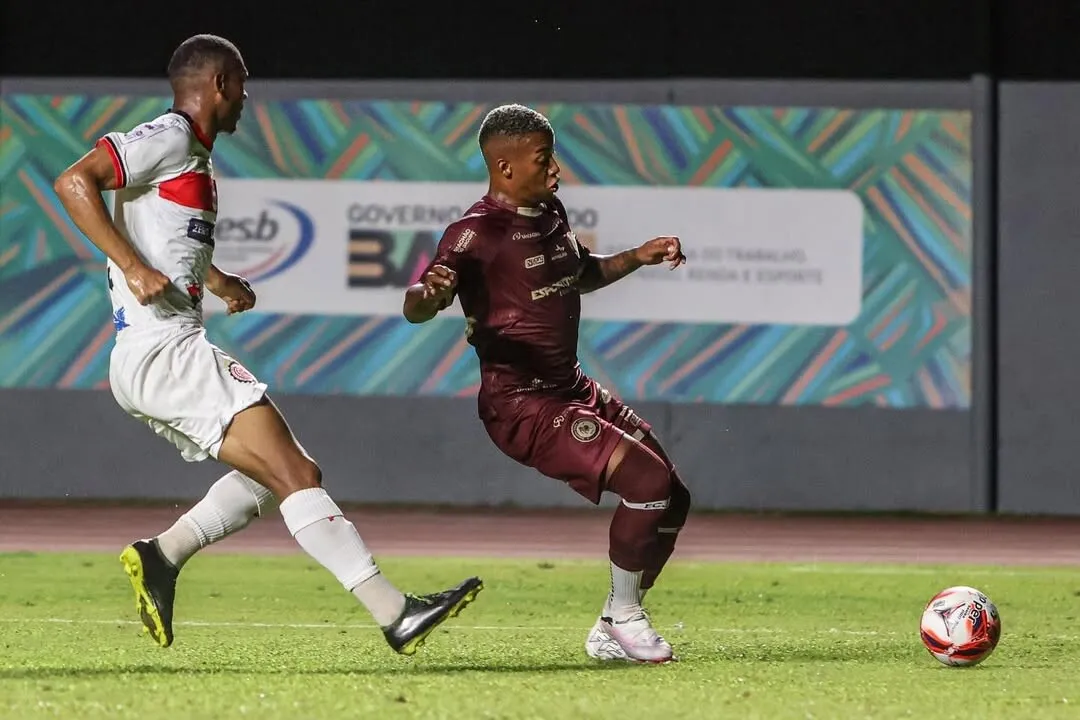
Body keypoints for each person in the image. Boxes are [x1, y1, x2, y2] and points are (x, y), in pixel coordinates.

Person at [53, 34, 482, 655]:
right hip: (164, 351)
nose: (246, 99)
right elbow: (74, 182)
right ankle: (396, 614)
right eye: (243, 85)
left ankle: (161, 556)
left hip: (156, 353)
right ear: (220, 85)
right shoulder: (170, 137)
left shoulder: (191, 158)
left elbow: (163, 235)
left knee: (272, 477)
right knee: (295, 473)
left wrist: (215, 279)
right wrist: (133, 268)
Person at [402, 103, 691, 663]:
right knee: (647, 480)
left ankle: (612, 622)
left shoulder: (550, 211)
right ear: (505, 167)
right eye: (544, 158)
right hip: (521, 404)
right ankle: (625, 617)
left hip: (570, 388)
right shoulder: (473, 233)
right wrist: (427, 296)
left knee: (672, 496)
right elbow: (419, 302)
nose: (556, 168)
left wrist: (638, 256)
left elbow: (579, 274)